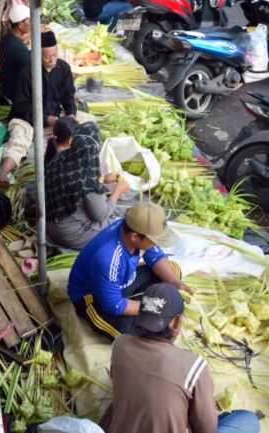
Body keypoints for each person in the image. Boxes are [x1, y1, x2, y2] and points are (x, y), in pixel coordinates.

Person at [99, 283, 261, 433]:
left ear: (140, 315)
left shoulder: (120, 344)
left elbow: (117, 381)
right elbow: (207, 429)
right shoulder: (193, 366)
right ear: (177, 322)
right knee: (247, 420)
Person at [67, 201, 194, 340]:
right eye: (154, 240)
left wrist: (177, 283)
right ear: (135, 236)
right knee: (133, 335)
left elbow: (155, 255)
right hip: (93, 298)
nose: (156, 243)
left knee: (173, 271)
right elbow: (114, 305)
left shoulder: (132, 226)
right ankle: (144, 307)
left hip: (122, 282)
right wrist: (156, 309)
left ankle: (142, 304)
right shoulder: (107, 259)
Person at [0, 30, 77, 187]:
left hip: (53, 122)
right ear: (38, 55)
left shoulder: (64, 68)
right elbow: (20, 105)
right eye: (47, 56)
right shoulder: (27, 72)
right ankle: (3, 174)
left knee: (85, 125)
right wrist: (46, 118)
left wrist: (71, 114)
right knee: (19, 139)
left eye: (55, 54)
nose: (52, 59)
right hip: (26, 119)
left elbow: (69, 96)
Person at [45, 118, 129, 249]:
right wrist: (117, 191)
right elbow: (100, 216)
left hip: (50, 225)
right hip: (70, 235)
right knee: (117, 225)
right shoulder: (88, 179)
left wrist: (102, 179)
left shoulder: (58, 158)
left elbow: (75, 180)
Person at [0, 4, 32, 106]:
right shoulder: (17, 48)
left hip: (7, 90)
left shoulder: (7, 39)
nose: (31, 23)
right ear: (20, 24)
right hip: (15, 96)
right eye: (29, 21)